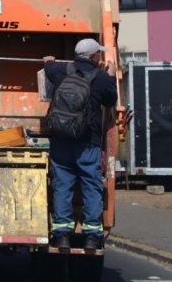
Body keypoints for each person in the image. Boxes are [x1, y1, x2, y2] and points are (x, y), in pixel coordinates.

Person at [43, 38, 117, 250]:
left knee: (62, 187)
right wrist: (110, 75)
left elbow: (47, 65)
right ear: (94, 56)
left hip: (61, 141)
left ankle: (62, 235)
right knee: (91, 187)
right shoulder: (102, 78)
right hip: (88, 143)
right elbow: (110, 101)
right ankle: (92, 236)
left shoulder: (60, 71)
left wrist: (48, 60)